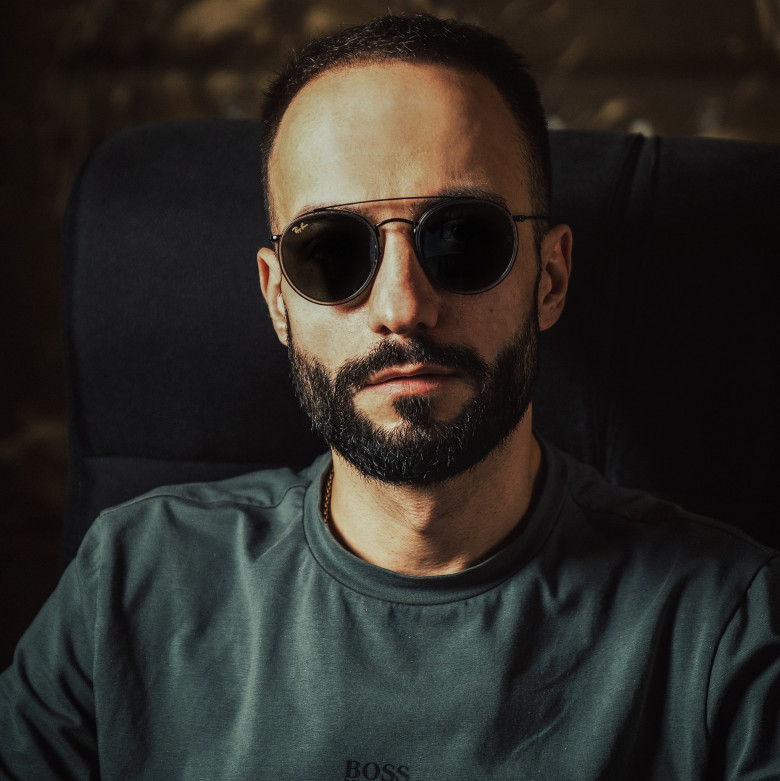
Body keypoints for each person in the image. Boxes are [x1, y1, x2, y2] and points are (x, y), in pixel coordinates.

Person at [1, 13, 778, 780]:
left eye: (462, 237)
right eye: (332, 250)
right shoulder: (128, 583)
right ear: (278, 301)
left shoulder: (727, 627)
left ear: (549, 277)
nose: (402, 306)